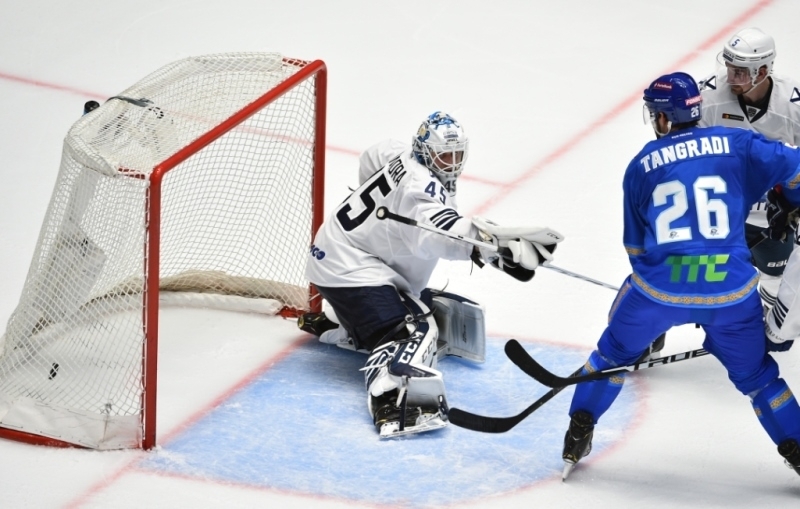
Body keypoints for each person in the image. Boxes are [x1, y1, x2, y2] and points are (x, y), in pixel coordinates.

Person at [560, 72, 800, 481]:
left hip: (659, 292)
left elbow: (636, 249)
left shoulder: (641, 165)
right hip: (731, 293)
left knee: (611, 355)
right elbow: (795, 167)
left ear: (663, 118)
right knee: (759, 378)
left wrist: (666, 295)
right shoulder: (737, 142)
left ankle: (579, 427)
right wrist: (790, 202)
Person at [298, 111, 563, 438]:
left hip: (344, 253)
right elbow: (439, 231)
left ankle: (346, 326)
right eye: (443, 155)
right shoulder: (420, 188)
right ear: (424, 150)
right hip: (348, 267)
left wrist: (379, 219)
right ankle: (393, 400)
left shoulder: (400, 153)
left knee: (421, 305)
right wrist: (490, 246)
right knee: (411, 331)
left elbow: (372, 156)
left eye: (456, 154)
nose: (451, 163)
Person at [641, 27, 800, 361]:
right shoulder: (710, 97)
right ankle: (647, 328)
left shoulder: (792, 104)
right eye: (729, 67)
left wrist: (792, 202)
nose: (731, 76)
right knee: (676, 262)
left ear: (763, 71)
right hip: (716, 204)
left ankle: (763, 319)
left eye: (740, 71)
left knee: (776, 273)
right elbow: (679, 149)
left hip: (772, 211)